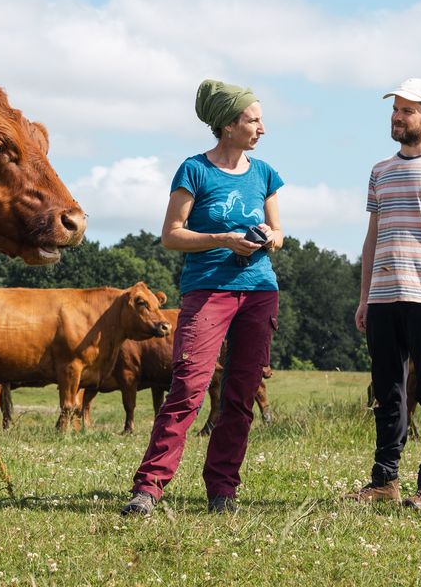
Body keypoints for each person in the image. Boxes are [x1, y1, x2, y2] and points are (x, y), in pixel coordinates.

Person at [120, 79, 284, 516]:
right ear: (228, 125)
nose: (261, 127)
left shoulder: (264, 173)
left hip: (260, 292)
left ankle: (223, 490)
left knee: (240, 393)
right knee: (188, 388)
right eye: (253, 120)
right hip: (208, 290)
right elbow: (171, 236)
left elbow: (280, 233)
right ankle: (148, 488)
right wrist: (222, 239)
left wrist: (271, 236)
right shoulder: (194, 170)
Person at [344, 78, 421, 510]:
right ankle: (384, 480)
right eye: (395, 109)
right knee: (387, 390)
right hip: (382, 297)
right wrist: (364, 296)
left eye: (408, 110)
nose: (398, 116)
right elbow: (372, 237)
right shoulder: (380, 171)